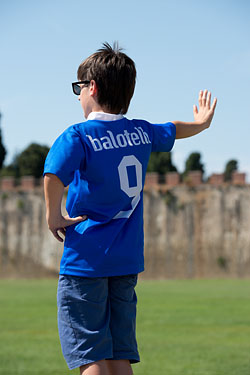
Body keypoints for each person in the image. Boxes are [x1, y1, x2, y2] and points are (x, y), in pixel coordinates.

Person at [43, 42, 217, 375]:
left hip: (86, 263)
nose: (78, 95)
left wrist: (53, 215)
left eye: (79, 88)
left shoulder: (78, 136)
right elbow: (173, 129)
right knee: (119, 354)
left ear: (91, 88)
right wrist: (202, 125)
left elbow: (52, 174)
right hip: (126, 263)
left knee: (90, 355)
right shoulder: (139, 131)